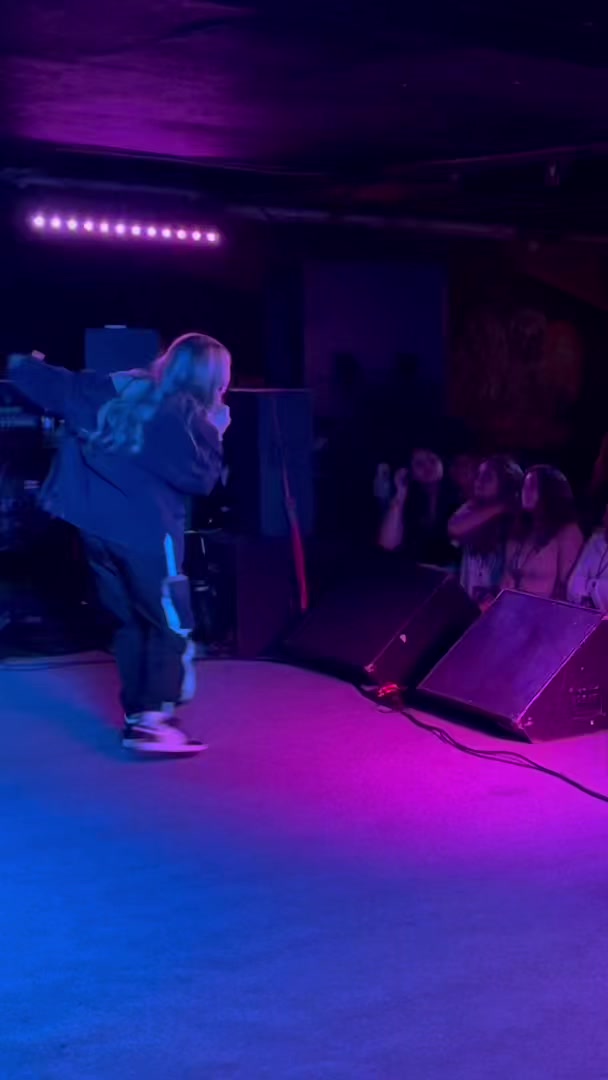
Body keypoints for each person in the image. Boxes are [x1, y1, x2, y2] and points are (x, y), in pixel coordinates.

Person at [7, 333, 231, 755]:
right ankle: (153, 721)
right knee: (169, 622)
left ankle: (137, 715)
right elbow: (201, 480)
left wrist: (25, 360)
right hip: (148, 533)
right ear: (211, 377)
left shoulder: (112, 387)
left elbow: (43, 381)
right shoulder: (187, 415)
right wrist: (216, 430)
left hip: (96, 530)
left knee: (127, 620)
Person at [448, 456, 522, 608]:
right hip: (469, 603)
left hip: (500, 605)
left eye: (487, 477)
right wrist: (501, 506)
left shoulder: (517, 520)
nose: (479, 481)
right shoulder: (472, 508)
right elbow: (454, 527)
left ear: (505, 483)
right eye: (478, 475)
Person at [501, 465, 583, 600]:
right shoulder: (520, 530)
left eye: (533, 486)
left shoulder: (567, 532)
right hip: (512, 607)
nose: (526, 492)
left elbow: (566, 589)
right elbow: (506, 577)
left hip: (544, 610)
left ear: (551, 491)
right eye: (524, 486)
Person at [376, 448, 456, 567]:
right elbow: (387, 544)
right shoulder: (409, 501)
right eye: (419, 464)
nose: (427, 467)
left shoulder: (458, 495)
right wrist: (400, 494)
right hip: (414, 571)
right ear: (411, 472)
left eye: (432, 460)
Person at [567, 504, 608, 612]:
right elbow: (573, 585)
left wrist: (590, 584)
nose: (604, 518)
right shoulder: (595, 540)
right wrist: (597, 589)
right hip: (581, 613)